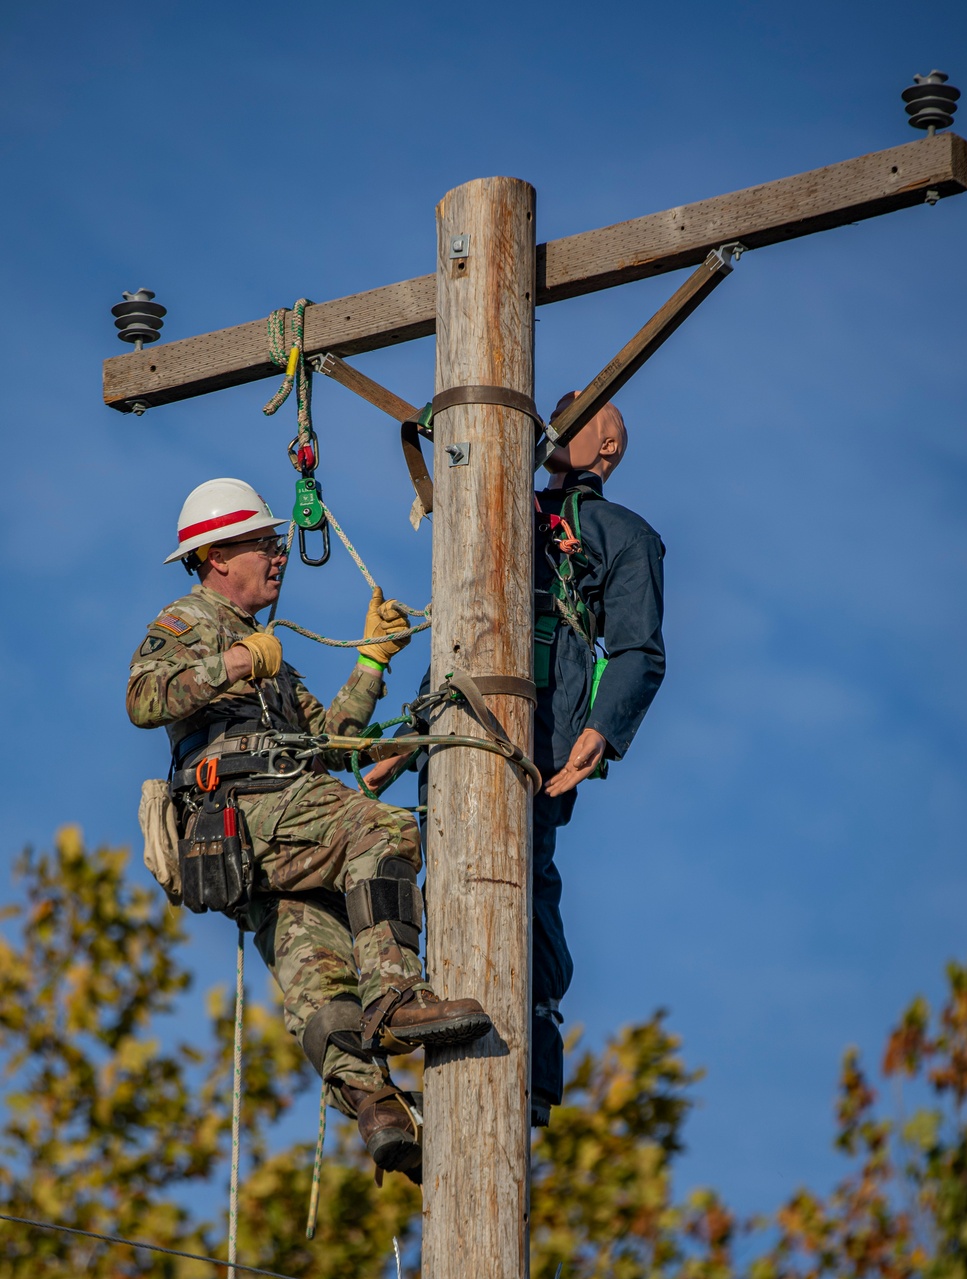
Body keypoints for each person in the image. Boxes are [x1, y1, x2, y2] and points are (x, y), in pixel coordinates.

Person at [127, 477, 491, 1185]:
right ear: (217, 555)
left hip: (266, 833)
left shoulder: (272, 658)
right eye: (265, 544)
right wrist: (234, 661)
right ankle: (398, 997)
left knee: (316, 963)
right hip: (245, 810)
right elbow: (145, 697)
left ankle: (377, 1107)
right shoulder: (190, 619)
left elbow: (328, 745)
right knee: (381, 832)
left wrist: (372, 663)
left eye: (277, 543)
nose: (279, 556)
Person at [368, 394, 665, 1125]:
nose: (564, 411)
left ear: (608, 450)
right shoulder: (494, 503)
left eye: (589, 412)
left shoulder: (621, 534)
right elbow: (461, 629)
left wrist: (598, 736)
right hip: (459, 718)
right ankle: (423, 1008)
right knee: (440, 870)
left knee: (521, 877)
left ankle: (526, 1056)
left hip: (539, 728)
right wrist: (407, 739)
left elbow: (637, 649)